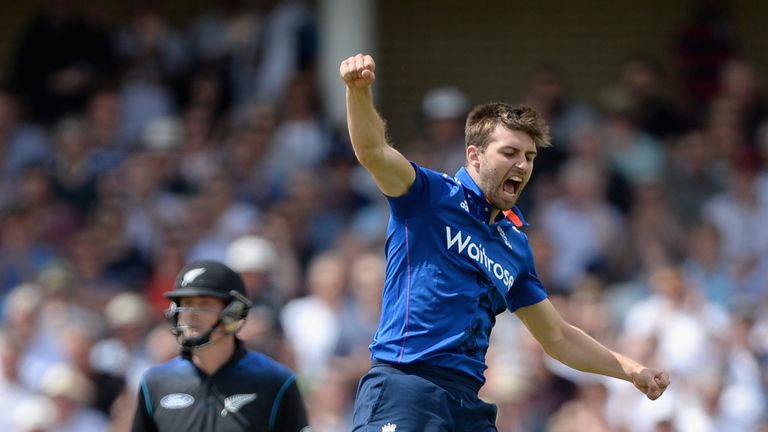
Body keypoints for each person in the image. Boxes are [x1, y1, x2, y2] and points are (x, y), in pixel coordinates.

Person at [339, 53, 670, 431]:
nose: (523, 165)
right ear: (474, 156)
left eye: (529, 157)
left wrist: (631, 369)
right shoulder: (429, 196)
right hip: (405, 387)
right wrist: (358, 91)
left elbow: (558, 337)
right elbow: (373, 152)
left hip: (467, 404)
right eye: (510, 153)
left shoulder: (514, 244)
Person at [131, 260, 309, 432]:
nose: (191, 315)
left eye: (204, 304)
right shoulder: (155, 382)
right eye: (186, 304)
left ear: (233, 313)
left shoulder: (275, 382)